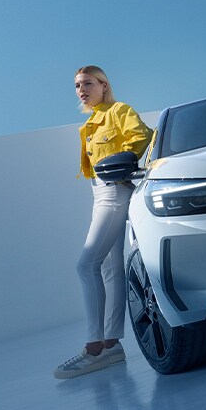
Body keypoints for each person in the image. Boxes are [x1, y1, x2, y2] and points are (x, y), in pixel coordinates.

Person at [55, 66, 151, 379]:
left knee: (85, 265)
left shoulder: (119, 110)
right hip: (99, 195)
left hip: (115, 193)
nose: (81, 90)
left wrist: (123, 163)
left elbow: (143, 137)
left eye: (87, 84)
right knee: (110, 268)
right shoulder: (90, 124)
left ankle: (94, 347)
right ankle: (112, 346)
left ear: (103, 85)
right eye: (76, 86)